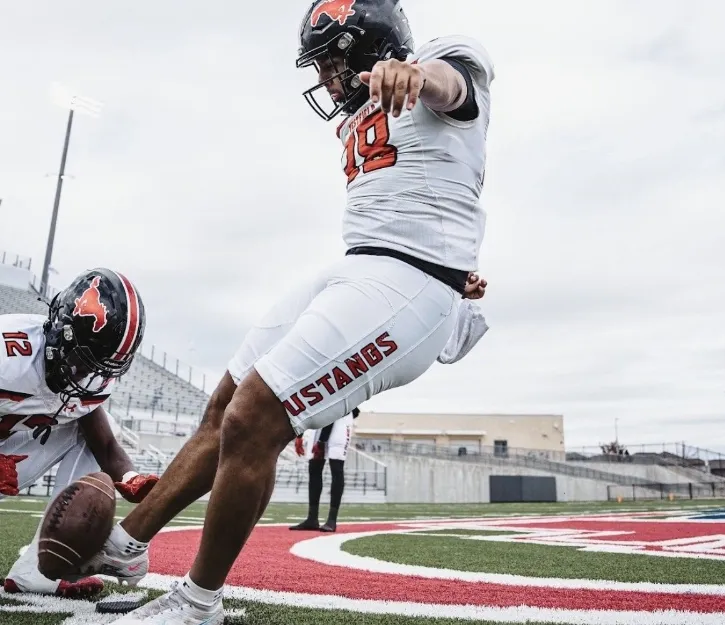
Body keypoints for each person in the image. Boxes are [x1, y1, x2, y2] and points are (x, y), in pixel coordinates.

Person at [82, 1, 494, 622]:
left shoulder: (438, 67)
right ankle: (127, 544)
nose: (324, 77)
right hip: (361, 265)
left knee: (256, 417)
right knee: (224, 406)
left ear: (371, 48)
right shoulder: (358, 113)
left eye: (331, 60)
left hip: (411, 280)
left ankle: (198, 602)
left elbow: (453, 87)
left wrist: (416, 74)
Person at [0, 268, 158, 598]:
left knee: (92, 428)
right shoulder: (9, 352)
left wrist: (132, 479)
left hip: (10, 460)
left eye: (100, 366)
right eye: (84, 360)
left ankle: (36, 573)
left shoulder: (90, 380)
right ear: (62, 332)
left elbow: (105, 443)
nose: (88, 375)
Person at [289, 406, 359, 533]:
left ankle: (332, 520)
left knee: (336, 467)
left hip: (340, 418)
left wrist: (322, 440)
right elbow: (305, 408)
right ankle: (312, 518)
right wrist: (299, 435)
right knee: (314, 467)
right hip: (322, 419)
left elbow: (336, 405)